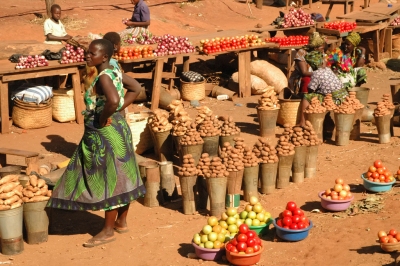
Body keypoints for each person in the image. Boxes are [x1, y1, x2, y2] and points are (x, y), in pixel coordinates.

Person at [47, 39, 146, 248]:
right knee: (123, 174)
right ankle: (121, 221)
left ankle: (108, 230)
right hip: (119, 128)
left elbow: (111, 100)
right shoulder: (114, 70)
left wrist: (103, 116)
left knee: (109, 178)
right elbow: (135, 88)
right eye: (88, 52)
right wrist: (118, 109)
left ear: (105, 57)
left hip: (105, 133)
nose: (88, 56)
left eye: (93, 53)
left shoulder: (103, 78)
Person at [297, 51, 348, 127]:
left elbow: (310, 89)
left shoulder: (315, 73)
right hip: (344, 95)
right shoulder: (328, 69)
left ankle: (302, 122)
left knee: (306, 97)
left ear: (312, 65)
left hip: (333, 98)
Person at [288, 32, 327, 96]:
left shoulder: (320, 53)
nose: (323, 51)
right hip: (302, 77)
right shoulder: (302, 52)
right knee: (307, 80)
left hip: (317, 76)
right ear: (315, 48)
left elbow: (323, 67)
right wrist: (318, 74)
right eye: (321, 48)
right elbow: (304, 72)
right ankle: (305, 99)